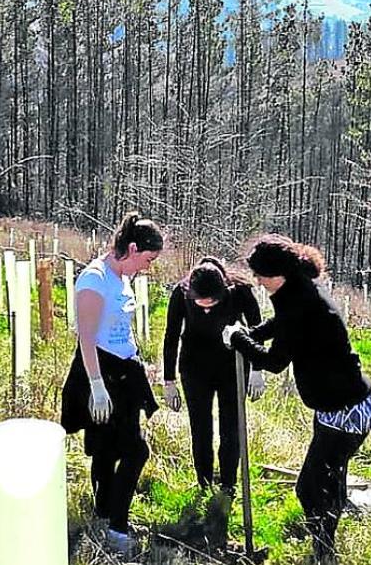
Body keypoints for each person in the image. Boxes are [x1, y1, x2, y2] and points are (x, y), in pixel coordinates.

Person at [222, 234, 371, 565]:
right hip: (341, 405)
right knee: (329, 481)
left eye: (263, 276)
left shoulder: (299, 301)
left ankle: (323, 553)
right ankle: (324, 551)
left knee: (309, 488)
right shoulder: (300, 289)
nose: (260, 283)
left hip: (346, 413)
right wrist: (253, 332)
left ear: (280, 273)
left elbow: (274, 362)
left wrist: (238, 338)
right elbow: (283, 325)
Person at [61, 212, 164, 556]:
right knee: (128, 451)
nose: (148, 267)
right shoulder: (94, 280)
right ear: (132, 248)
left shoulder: (122, 276)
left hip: (125, 374)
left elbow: (119, 326)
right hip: (100, 373)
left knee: (118, 448)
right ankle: (117, 527)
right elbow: (87, 339)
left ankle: (105, 512)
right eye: (147, 260)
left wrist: (137, 359)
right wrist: (96, 385)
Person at [162, 257, 265, 496]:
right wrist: (169, 381)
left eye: (212, 304)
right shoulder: (181, 293)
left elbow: (257, 327)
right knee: (200, 427)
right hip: (194, 366)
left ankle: (228, 484)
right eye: (201, 305)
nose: (206, 310)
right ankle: (204, 482)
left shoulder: (239, 292)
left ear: (223, 292)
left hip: (232, 365)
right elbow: (171, 336)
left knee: (231, 426)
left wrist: (258, 369)